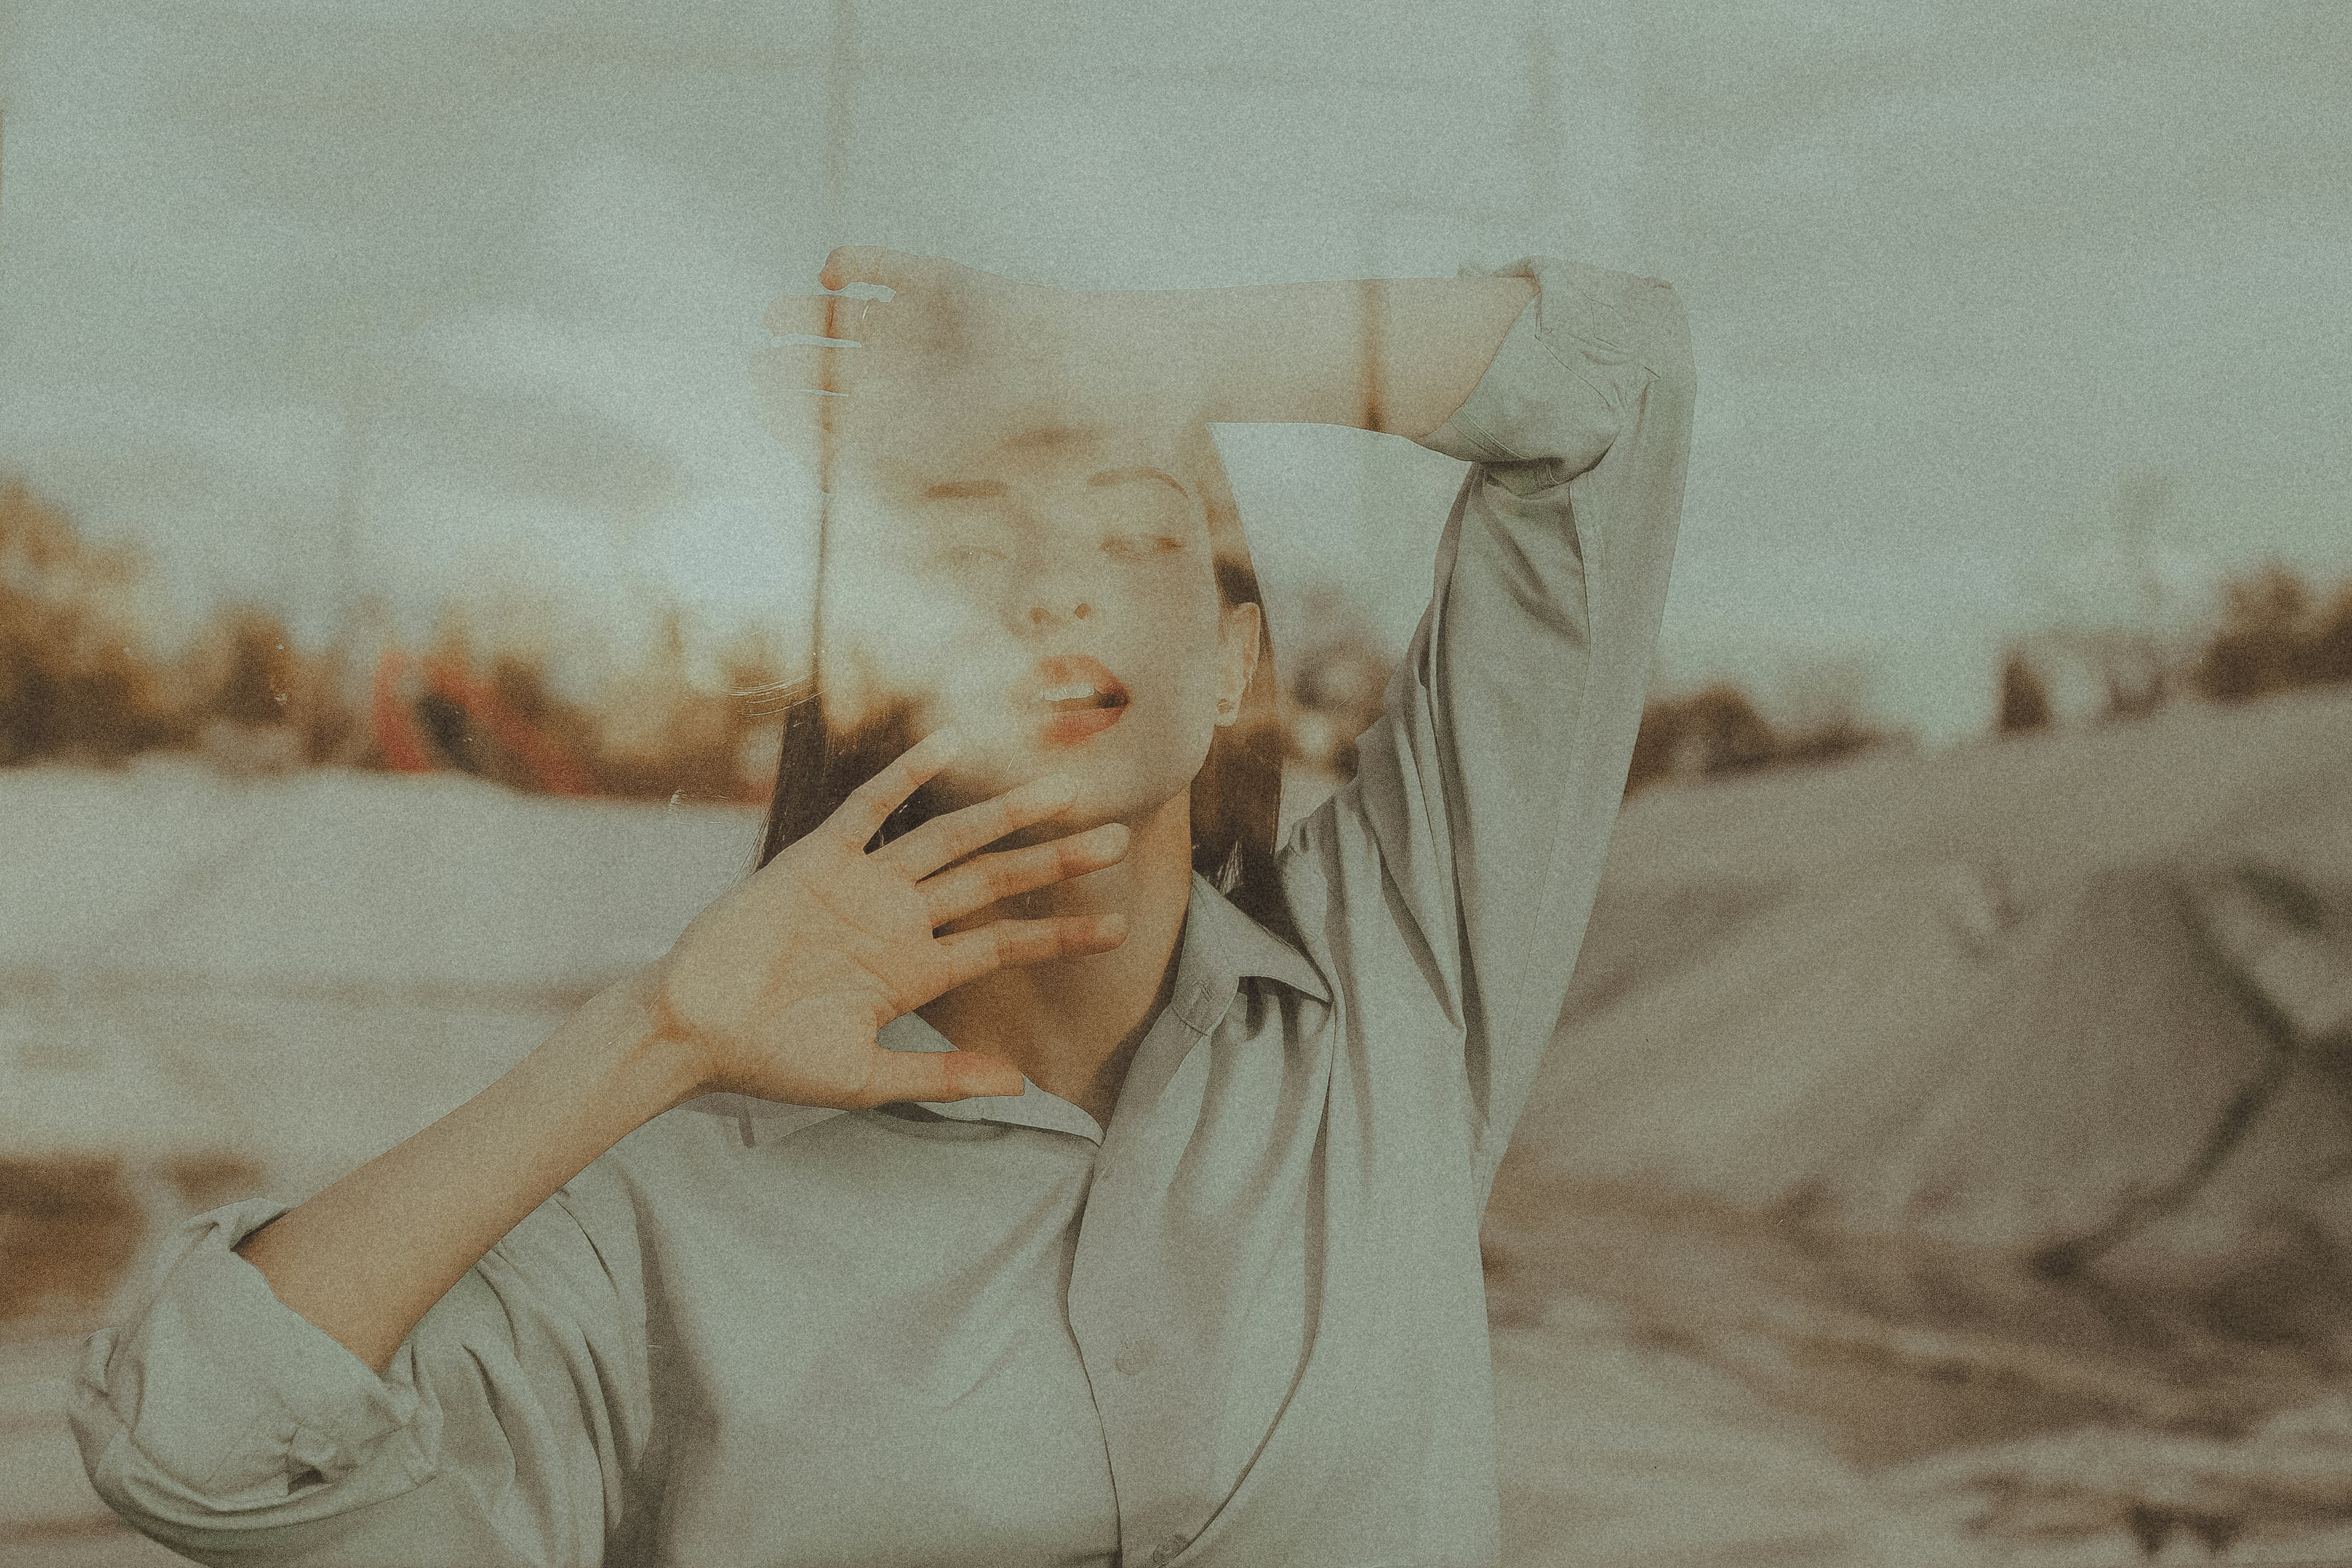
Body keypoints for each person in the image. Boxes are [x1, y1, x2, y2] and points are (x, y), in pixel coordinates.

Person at [69, 243, 1693, 1567]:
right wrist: (646, 1039)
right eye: (960, 551)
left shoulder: (1395, 988)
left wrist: (1116, 349)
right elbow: (201, 1450)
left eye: (1130, 536)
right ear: (868, 671)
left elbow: (1610, 388)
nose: (1052, 585)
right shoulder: (660, 1202)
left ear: (1236, 666)